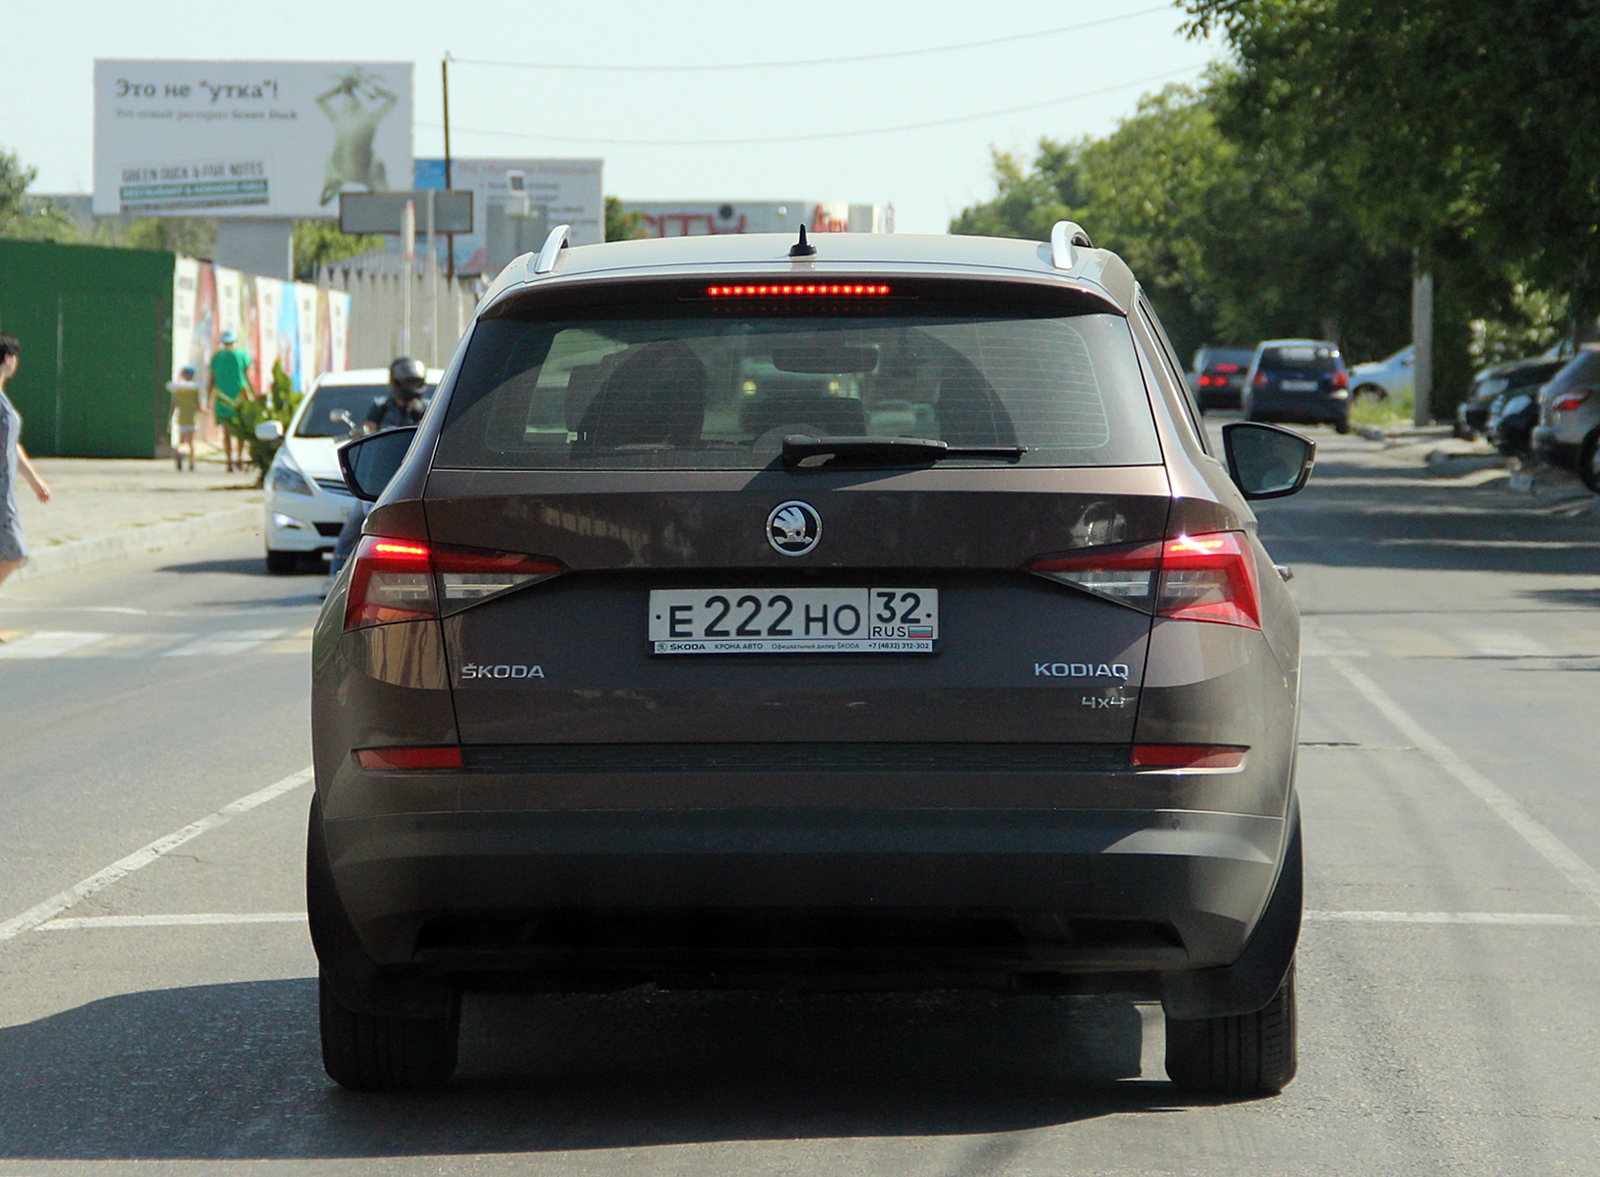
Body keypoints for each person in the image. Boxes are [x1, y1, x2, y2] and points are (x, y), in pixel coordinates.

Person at [321, 358, 429, 596]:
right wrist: (360, 433)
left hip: (411, 475)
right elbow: (368, 430)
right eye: (408, 381)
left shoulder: (426, 408)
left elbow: (429, 436)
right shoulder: (381, 406)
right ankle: (334, 578)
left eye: (416, 381)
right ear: (396, 381)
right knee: (353, 528)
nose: (413, 386)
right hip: (382, 476)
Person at [0, 334, 53, 589]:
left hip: (5, 491)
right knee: (15, 551)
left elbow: (10, 443)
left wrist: (34, 479)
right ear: (9, 359)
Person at [209, 329, 255, 473]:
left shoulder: (217, 357)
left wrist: (208, 397)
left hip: (222, 398)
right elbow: (248, 377)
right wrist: (254, 394)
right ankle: (239, 458)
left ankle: (229, 461)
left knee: (226, 431)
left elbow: (211, 379)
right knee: (241, 430)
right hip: (239, 396)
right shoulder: (242, 355)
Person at [166, 365, 203, 471]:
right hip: (192, 418)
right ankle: (191, 462)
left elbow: (174, 405)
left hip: (181, 418)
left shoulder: (178, 390)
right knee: (191, 442)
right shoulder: (194, 390)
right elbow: (198, 405)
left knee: (181, 440)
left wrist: (169, 419)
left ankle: (178, 456)